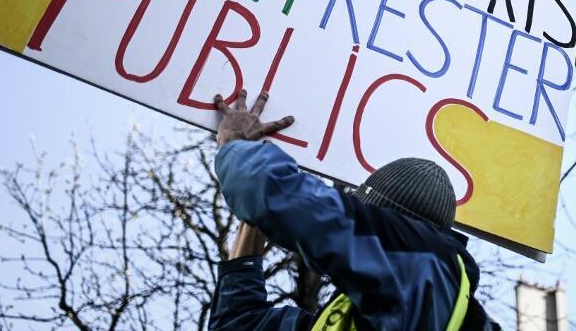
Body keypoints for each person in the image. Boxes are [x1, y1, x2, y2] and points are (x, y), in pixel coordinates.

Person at [209, 89, 499, 330]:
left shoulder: (425, 271)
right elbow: (239, 324)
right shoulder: (348, 316)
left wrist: (238, 147)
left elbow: (282, 195)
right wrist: (257, 215)